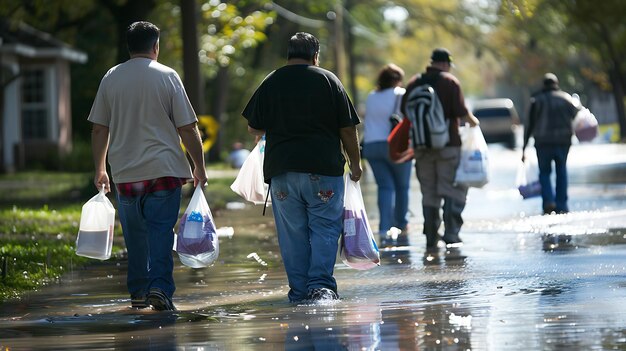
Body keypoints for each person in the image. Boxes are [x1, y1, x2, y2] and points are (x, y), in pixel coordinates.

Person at [89, 21, 207, 311]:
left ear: (129, 47)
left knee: (135, 237)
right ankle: (160, 289)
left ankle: (139, 291)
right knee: (160, 233)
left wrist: (100, 168)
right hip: (164, 171)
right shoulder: (167, 75)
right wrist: (199, 166)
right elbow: (188, 128)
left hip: (126, 174)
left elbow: (99, 129)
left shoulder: (111, 78)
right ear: (156, 46)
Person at [242, 32, 361, 303]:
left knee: (292, 232)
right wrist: (355, 163)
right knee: (324, 228)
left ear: (289, 54)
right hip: (323, 170)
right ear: (315, 55)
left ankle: (298, 290)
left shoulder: (272, 81)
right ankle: (320, 286)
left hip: (282, 172)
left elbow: (253, 126)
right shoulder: (328, 80)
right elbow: (347, 127)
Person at [401, 48, 480, 250]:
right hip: (448, 145)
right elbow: (461, 112)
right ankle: (452, 234)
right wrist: (474, 123)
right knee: (452, 189)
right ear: (445, 64)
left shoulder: (414, 83)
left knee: (429, 192)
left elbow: (404, 111)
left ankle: (430, 237)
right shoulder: (450, 82)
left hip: (421, 146)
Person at [361, 64, 412, 241]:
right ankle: (402, 224)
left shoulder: (371, 96)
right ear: (397, 80)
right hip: (395, 145)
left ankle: (384, 228)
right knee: (402, 186)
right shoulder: (401, 94)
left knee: (385, 186)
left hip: (372, 146)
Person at [522, 73, 580, 215]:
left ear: (544, 85)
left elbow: (529, 125)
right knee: (561, 171)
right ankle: (562, 204)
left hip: (543, 142)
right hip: (563, 141)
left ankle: (548, 202)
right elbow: (578, 119)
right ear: (556, 84)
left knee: (544, 173)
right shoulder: (567, 99)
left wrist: (524, 147)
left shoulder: (536, 100)